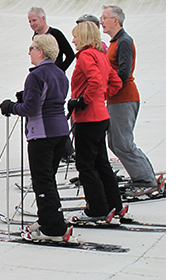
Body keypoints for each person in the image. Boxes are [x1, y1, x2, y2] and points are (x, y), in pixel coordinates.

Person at [0, 34, 74, 242]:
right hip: (60, 131)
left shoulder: (36, 75)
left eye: (31, 48)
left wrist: (11, 107)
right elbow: (49, 99)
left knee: (42, 180)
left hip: (42, 133)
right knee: (48, 178)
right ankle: (50, 218)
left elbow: (31, 108)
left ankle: (53, 228)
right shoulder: (59, 73)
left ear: (40, 51)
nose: (29, 52)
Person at [67, 21, 123, 222]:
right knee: (101, 164)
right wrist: (100, 96)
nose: (73, 40)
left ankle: (97, 208)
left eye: (75, 36)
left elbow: (95, 81)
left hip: (88, 118)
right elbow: (115, 82)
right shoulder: (101, 55)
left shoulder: (85, 55)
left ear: (83, 37)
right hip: (101, 116)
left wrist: (83, 100)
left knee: (86, 165)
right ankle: (114, 204)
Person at [100, 5, 158, 196]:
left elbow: (124, 73)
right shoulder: (115, 42)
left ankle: (146, 180)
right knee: (115, 143)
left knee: (123, 143)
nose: (101, 21)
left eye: (104, 18)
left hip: (124, 98)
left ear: (115, 20)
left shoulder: (124, 41)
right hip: (116, 99)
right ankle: (145, 176)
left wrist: (104, 88)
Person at [28, 7, 75, 72]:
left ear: (43, 18)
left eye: (34, 20)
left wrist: (60, 70)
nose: (32, 24)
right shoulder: (35, 36)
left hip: (55, 75)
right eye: (30, 21)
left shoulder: (55, 33)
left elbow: (70, 55)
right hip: (43, 74)